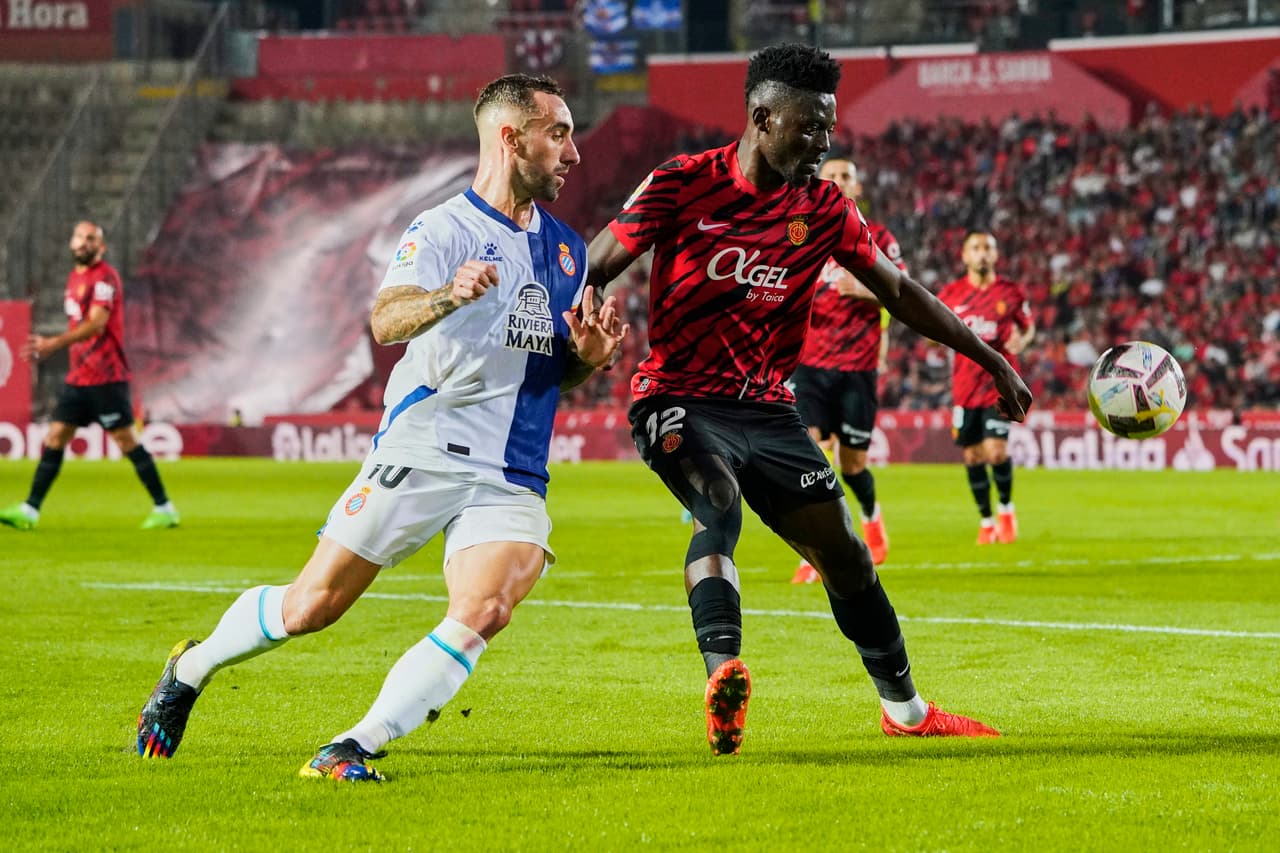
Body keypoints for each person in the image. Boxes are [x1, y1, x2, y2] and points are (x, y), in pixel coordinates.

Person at [135, 73, 627, 781]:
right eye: (561, 133)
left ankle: (353, 744)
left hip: (512, 467)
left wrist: (585, 358)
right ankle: (193, 663)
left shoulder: (566, 252)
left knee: (487, 607)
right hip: (426, 445)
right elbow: (386, 318)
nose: (574, 153)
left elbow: (549, 370)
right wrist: (444, 296)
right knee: (312, 606)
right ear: (509, 137)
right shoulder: (441, 229)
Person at [585, 43, 1031, 755]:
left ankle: (907, 709)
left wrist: (987, 354)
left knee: (847, 555)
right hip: (677, 396)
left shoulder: (824, 208)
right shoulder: (680, 183)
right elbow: (597, 260)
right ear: (763, 117)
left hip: (768, 409)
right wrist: (580, 317)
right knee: (717, 502)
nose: (823, 144)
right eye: (810, 127)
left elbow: (900, 291)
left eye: (829, 129)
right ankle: (723, 670)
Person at [0, 221, 179, 532]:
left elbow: (97, 324)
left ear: (101, 247)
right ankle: (30, 509)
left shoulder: (104, 279)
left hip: (107, 378)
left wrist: (52, 344)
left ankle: (165, 507)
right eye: (79, 237)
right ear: (72, 242)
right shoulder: (74, 278)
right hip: (79, 378)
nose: (83, 243)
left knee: (124, 441)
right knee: (55, 437)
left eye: (90, 239)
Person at [789, 156, 906, 583]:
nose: (839, 181)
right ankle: (816, 553)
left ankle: (873, 522)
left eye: (846, 176)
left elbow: (902, 291)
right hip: (811, 367)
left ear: (857, 187)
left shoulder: (880, 238)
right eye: (831, 175)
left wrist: (863, 288)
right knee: (814, 456)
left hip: (857, 368)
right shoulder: (800, 233)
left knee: (853, 465)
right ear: (817, 182)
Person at [936, 232, 1035, 545]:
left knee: (996, 451)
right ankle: (986, 520)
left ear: (995, 255)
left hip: (998, 385)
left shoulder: (1010, 292)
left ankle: (1006, 509)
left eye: (987, 248)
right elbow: (932, 327)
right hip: (964, 387)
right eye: (975, 248)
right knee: (973, 456)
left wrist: (1024, 338)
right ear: (964, 256)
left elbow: (1027, 324)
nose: (982, 254)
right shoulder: (951, 294)